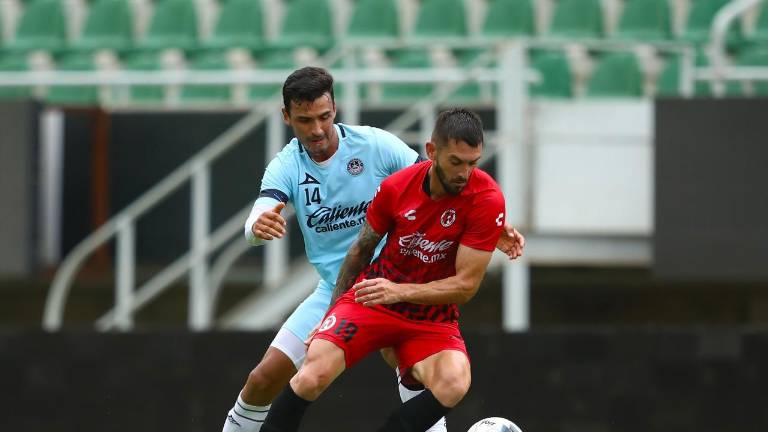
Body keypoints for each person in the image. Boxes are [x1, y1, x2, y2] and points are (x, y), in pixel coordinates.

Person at [222, 67, 525, 432]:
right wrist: (255, 229)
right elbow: (262, 209)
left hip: (400, 279)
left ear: (335, 108)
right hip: (341, 286)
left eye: (324, 117)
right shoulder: (286, 167)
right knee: (264, 377)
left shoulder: (376, 145)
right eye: (304, 120)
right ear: (286, 117)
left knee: (422, 374)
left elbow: (441, 183)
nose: (317, 129)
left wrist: (488, 228)